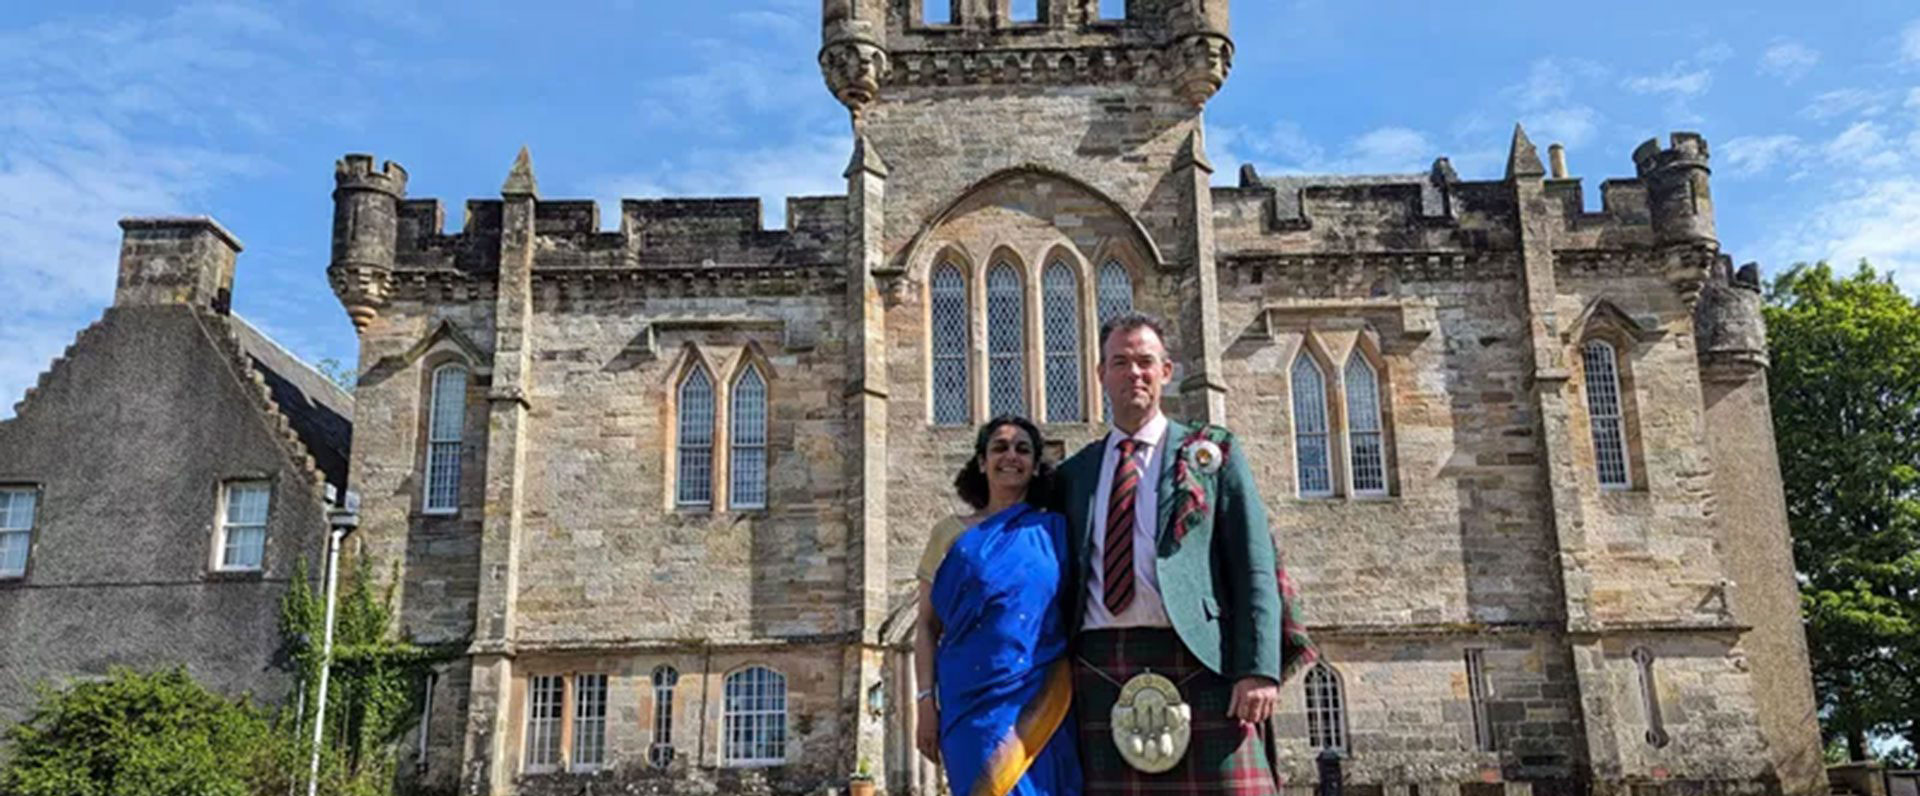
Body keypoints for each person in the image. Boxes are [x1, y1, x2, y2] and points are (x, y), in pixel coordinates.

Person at [1052, 312, 1315, 796]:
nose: (1134, 372)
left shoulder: (1211, 454)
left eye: (1145, 362)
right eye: (1121, 361)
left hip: (1201, 660)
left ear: (1166, 371)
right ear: (1100, 374)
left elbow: (1254, 563)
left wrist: (1257, 667)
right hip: (1097, 667)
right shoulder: (1074, 474)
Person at [914, 415, 1083, 796]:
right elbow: (926, 626)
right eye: (1000, 448)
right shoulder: (950, 534)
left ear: (1037, 465)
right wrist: (925, 701)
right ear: (981, 461)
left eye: (1023, 449)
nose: (1011, 456)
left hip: (1041, 697)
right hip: (969, 706)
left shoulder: (1055, 530)